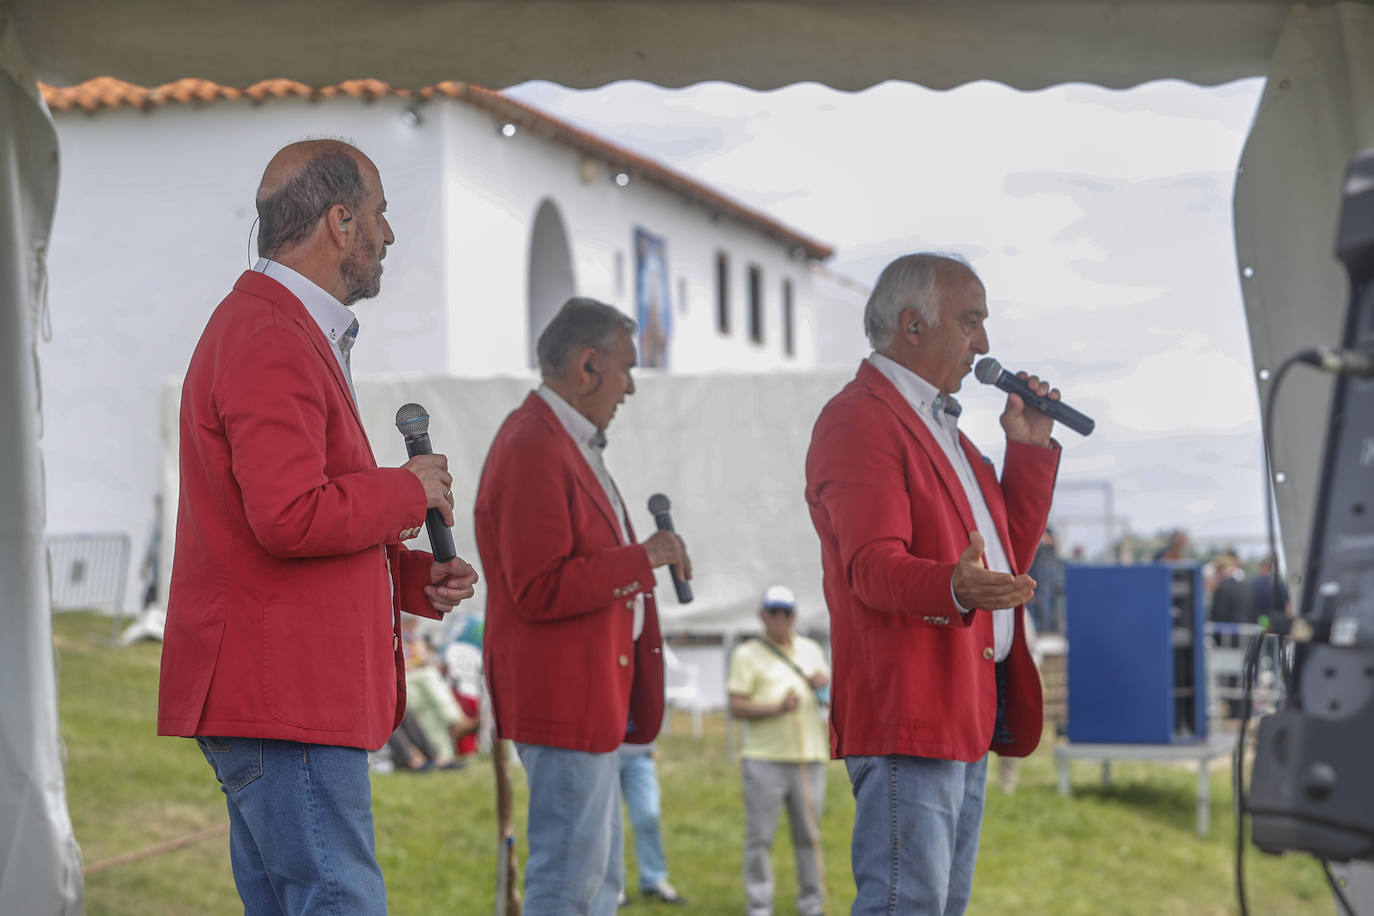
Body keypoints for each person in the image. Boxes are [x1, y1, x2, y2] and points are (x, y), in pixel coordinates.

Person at [157, 139, 480, 915]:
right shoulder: (269, 334)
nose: (388, 236)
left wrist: (409, 579)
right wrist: (405, 492)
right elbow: (289, 515)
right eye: (380, 215)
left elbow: (277, 523)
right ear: (341, 222)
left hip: (278, 693)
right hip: (283, 694)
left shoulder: (274, 326)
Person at [804, 253, 1060, 915]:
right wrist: (956, 587)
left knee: (938, 906)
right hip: (909, 709)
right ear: (912, 326)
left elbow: (1003, 562)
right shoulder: (860, 419)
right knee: (905, 905)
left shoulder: (946, 430)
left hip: (961, 707)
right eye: (970, 320)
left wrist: (1027, 449)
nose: (984, 343)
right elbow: (871, 568)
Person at [475, 297, 693, 916]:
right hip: (562, 700)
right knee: (568, 888)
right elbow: (539, 586)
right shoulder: (533, 444)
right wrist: (643, 557)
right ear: (588, 366)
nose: (629, 388)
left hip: (588, 698)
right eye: (626, 368)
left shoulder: (563, 441)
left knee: (597, 888)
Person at [727, 585, 831, 916]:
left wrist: (823, 686)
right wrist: (776, 708)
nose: (779, 618)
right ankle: (759, 905)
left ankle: (812, 904)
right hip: (764, 758)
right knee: (760, 837)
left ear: (794, 615)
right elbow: (736, 706)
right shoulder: (746, 654)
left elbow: (829, 701)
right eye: (773, 612)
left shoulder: (812, 649)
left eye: (785, 612)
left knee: (809, 836)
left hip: (809, 756)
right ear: (762, 615)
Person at [616, 740, 687, 905]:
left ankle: (653, 880)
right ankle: (614, 883)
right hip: (604, 753)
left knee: (648, 816)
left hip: (639, 753)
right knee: (610, 823)